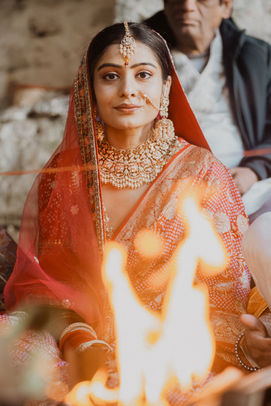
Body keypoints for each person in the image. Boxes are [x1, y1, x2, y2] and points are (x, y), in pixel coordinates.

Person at [1, 22, 271, 403]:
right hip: (73, 341)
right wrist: (80, 340)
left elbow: (225, 298)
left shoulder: (202, 173)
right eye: (110, 76)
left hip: (168, 351)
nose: (128, 90)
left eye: (143, 75)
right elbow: (46, 281)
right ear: (89, 90)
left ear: (165, 88)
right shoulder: (65, 174)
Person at [144, 0, 271, 219]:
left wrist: (254, 171)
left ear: (225, 7)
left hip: (247, 183)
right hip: (167, 189)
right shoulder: (142, 58)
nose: (187, 6)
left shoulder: (256, 57)